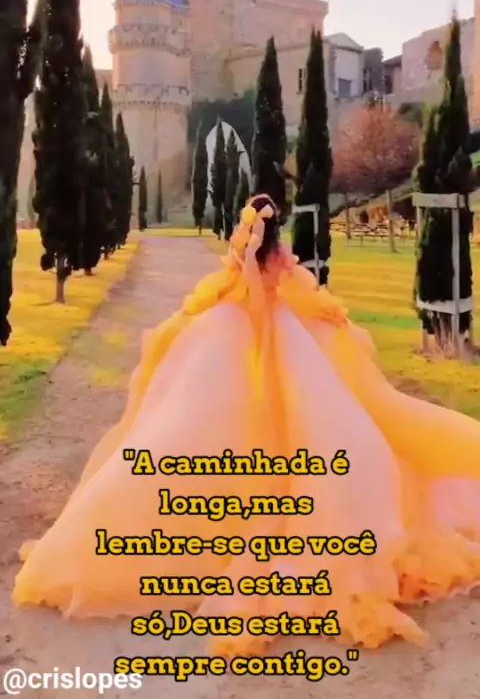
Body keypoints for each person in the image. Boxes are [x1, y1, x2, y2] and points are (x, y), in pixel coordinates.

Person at [12, 194, 480, 655]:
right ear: (276, 231)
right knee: (311, 426)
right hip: (271, 332)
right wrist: (321, 311)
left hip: (232, 331)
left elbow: (235, 286)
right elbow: (291, 289)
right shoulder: (276, 257)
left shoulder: (242, 253)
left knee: (197, 426)